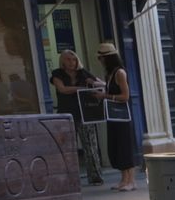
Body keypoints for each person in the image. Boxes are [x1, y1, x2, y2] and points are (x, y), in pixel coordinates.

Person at [49, 50, 104, 186]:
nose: (71, 62)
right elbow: (62, 89)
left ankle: (95, 176)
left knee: (90, 146)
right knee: (67, 147)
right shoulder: (57, 74)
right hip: (66, 115)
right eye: (68, 59)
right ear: (62, 61)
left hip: (85, 114)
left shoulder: (83, 73)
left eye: (73, 60)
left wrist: (93, 84)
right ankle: (70, 178)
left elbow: (102, 84)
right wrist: (81, 88)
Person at [95, 43, 138, 191]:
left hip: (122, 117)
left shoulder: (120, 73)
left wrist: (105, 96)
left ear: (108, 58)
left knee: (125, 147)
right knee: (116, 148)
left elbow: (125, 96)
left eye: (101, 58)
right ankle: (124, 179)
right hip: (113, 116)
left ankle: (131, 180)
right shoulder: (111, 74)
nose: (100, 60)